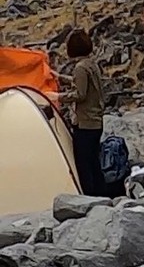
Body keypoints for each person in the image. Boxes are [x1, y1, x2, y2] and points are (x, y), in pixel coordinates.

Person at [56, 29, 110, 197]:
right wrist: (60, 77)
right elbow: (83, 84)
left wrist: (57, 97)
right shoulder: (91, 64)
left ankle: (89, 198)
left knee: (84, 165)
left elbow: (80, 94)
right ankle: (102, 196)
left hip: (85, 124)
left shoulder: (80, 68)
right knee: (94, 163)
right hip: (96, 123)